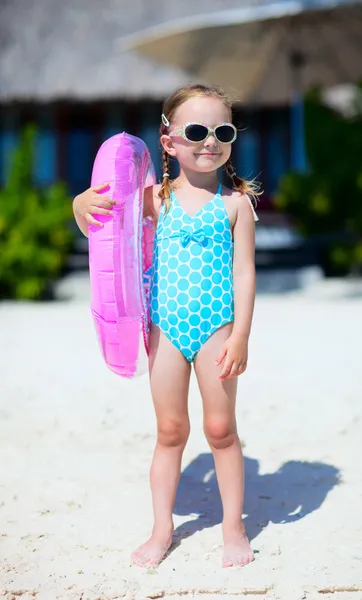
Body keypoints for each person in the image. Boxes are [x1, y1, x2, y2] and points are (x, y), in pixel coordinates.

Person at [72, 83, 261, 569]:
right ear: (168, 139)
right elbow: (105, 229)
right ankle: (162, 528)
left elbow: (244, 273)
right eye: (196, 130)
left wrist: (240, 334)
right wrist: (79, 206)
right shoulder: (152, 200)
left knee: (220, 429)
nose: (210, 141)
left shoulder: (237, 205)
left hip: (217, 324)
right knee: (171, 430)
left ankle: (233, 526)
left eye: (223, 131)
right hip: (165, 328)